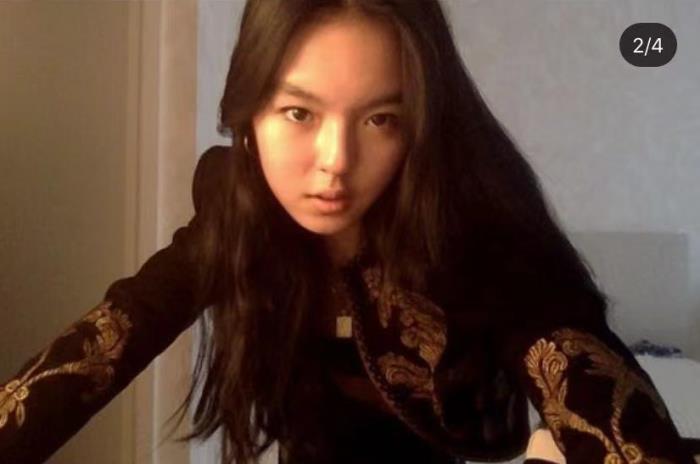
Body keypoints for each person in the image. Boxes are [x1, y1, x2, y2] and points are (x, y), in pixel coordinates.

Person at [1, 0, 696, 463]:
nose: (336, 162)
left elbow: (583, 372)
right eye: (299, 113)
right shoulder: (236, 207)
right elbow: (109, 337)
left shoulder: (475, 230)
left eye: (380, 119)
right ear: (248, 116)